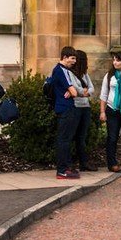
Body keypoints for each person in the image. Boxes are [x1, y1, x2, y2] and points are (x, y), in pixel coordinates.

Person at [52, 46, 80, 180]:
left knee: (67, 140)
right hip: (65, 108)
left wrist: (71, 91)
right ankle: (62, 170)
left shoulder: (65, 70)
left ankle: (66, 167)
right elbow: (75, 91)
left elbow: (72, 90)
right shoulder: (60, 70)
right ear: (65, 57)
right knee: (63, 140)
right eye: (72, 58)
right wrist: (72, 91)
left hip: (67, 107)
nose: (74, 61)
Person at [70, 49, 95, 172]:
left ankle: (83, 163)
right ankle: (70, 163)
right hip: (75, 107)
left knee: (82, 137)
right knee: (71, 136)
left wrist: (84, 92)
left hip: (85, 107)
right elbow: (76, 89)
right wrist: (83, 92)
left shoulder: (85, 75)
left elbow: (91, 89)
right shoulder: (70, 73)